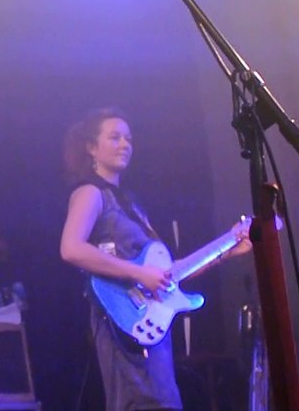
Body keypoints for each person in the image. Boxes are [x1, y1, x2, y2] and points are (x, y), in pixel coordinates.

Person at [58, 108, 249, 411]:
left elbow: (168, 274)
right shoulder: (90, 193)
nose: (125, 144)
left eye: (129, 139)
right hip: (121, 321)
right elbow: (71, 249)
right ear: (91, 147)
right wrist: (138, 274)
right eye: (115, 137)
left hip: (150, 326)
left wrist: (226, 251)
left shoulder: (132, 204)